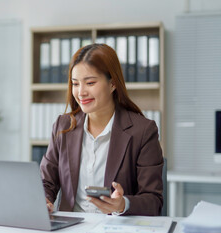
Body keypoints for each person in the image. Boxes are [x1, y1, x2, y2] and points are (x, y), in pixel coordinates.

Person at [40, 43, 163, 216]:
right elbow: (46, 182)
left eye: (90, 83)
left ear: (112, 84)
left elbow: (153, 200)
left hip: (116, 230)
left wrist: (122, 204)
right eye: (75, 84)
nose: (81, 92)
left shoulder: (143, 131)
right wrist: (44, 200)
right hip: (69, 231)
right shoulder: (63, 126)